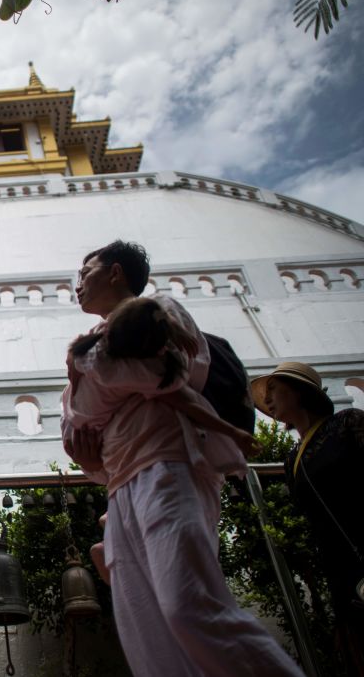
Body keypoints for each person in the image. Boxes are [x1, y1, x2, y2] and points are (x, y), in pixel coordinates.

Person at [62, 240, 303, 677]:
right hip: (120, 488)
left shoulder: (161, 310)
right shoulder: (86, 347)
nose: (77, 283)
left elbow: (177, 373)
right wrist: (88, 454)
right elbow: (82, 423)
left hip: (168, 466)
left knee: (189, 609)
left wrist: (102, 393)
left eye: (86, 272)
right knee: (149, 642)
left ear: (115, 272)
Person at [253, 361, 364, 675]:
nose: (269, 399)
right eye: (267, 394)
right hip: (340, 566)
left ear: (301, 392)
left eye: (275, 389)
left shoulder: (347, 422)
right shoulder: (292, 459)